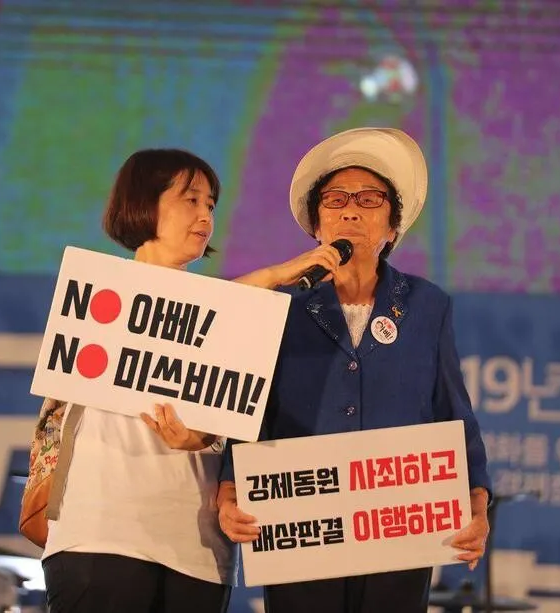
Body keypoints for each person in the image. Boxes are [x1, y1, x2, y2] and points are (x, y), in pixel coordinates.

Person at [40, 148, 345, 613]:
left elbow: (225, 426)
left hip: (195, 549)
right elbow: (162, 302)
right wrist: (270, 276)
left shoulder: (235, 316)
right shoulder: (100, 294)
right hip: (100, 537)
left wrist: (200, 437)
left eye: (211, 205)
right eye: (191, 199)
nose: (205, 215)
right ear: (145, 203)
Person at [216, 127, 492, 613]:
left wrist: (476, 494)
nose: (350, 209)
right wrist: (228, 485)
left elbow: (452, 408)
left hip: (399, 526)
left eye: (369, 199)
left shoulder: (427, 306)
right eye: (335, 199)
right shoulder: (282, 307)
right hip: (301, 525)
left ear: (392, 226)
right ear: (316, 226)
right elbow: (249, 408)